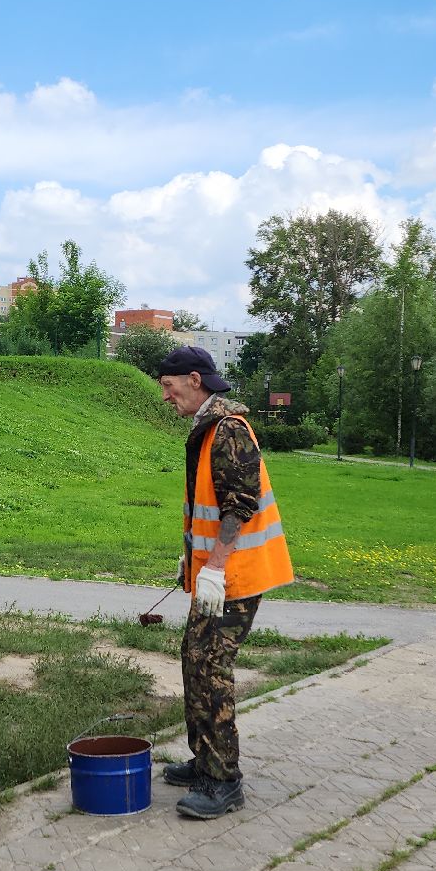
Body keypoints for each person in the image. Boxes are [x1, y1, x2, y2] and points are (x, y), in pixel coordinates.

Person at [154, 346, 294, 819]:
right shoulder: (208, 426)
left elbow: (239, 504)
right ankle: (204, 761)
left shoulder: (229, 429)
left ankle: (223, 781)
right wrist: (193, 559)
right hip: (216, 571)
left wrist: (213, 566)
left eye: (170, 389)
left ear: (194, 379)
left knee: (211, 668)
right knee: (194, 659)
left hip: (235, 574)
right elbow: (209, 507)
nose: (167, 398)